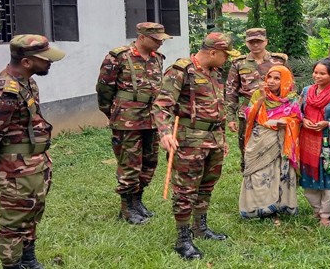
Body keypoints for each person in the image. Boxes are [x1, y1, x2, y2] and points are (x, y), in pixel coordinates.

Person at [0, 35, 65, 269]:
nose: (50, 62)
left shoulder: (27, 82)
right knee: (14, 222)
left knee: (32, 213)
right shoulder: (5, 93)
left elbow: (12, 126)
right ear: (27, 62)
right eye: (45, 59)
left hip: (34, 163)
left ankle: (28, 259)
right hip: (15, 170)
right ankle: (12, 265)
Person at [151, 32, 238, 260]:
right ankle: (183, 239)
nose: (226, 60)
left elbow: (219, 109)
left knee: (207, 185)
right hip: (190, 140)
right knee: (185, 190)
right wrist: (165, 133)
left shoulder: (215, 73)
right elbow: (161, 106)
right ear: (212, 52)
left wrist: (223, 138)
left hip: (214, 139)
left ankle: (200, 227)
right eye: (225, 55)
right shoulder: (182, 70)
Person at [95, 22, 171, 224]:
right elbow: (104, 89)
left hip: (152, 119)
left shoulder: (157, 59)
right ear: (142, 37)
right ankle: (126, 207)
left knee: (149, 162)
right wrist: (113, 113)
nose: (159, 44)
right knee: (130, 164)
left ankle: (137, 201)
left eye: (161, 40)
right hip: (127, 120)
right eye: (156, 40)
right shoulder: (119, 57)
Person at [238, 65, 302, 224]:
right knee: (258, 172)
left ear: (285, 80)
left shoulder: (292, 98)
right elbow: (249, 114)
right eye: (269, 77)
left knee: (278, 173)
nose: (271, 81)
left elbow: (297, 119)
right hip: (260, 140)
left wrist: (286, 122)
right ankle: (256, 207)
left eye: (277, 78)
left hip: (281, 142)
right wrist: (261, 97)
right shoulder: (258, 94)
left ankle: (277, 208)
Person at [225, 28, 288, 171]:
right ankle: (248, 174)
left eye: (258, 41)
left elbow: (289, 86)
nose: (255, 45)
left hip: (274, 110)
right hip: (248, 111)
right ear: (246, 43)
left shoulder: (278, 61)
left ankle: (273, 174)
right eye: (251, 42)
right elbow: (231, 91)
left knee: (273, 144)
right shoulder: (239, 63)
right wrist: (231, 118)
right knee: (246, 145)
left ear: (266, 42)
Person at [298, 57, 330, 227]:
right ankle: (316, 209)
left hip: (328, 141)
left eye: (322, 73)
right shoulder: (306, 91)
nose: (317, 76)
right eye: (315, 72)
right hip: (307, 139)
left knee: (329, 175)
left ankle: (325, 214)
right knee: (307, 175)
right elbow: (297, 111)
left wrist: (328, 123)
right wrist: (303, 120)